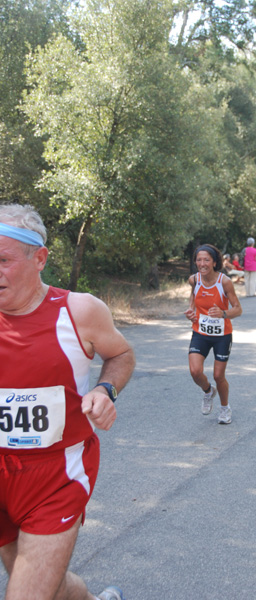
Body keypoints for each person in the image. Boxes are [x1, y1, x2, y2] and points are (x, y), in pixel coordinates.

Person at [0, 204, 135, 600]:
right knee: (48, 585)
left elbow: (122, 354)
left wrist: (104, 390)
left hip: (55, 476)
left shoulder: (79, 311)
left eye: (4, 260)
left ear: (38, 258)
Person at [185, 244, 242, 424]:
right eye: (199, 260)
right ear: (195, 262)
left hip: (222, 335)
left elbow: (238, 309)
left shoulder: (224, 282)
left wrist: (223, 313)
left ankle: (225, 408)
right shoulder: (194, 280)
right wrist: (191, 312)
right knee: (195, 371)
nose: (202, 263)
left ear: (214, 262)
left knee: (219, 375)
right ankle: (208, 391)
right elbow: (193, 299)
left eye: (206, 260)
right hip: (200, 332)